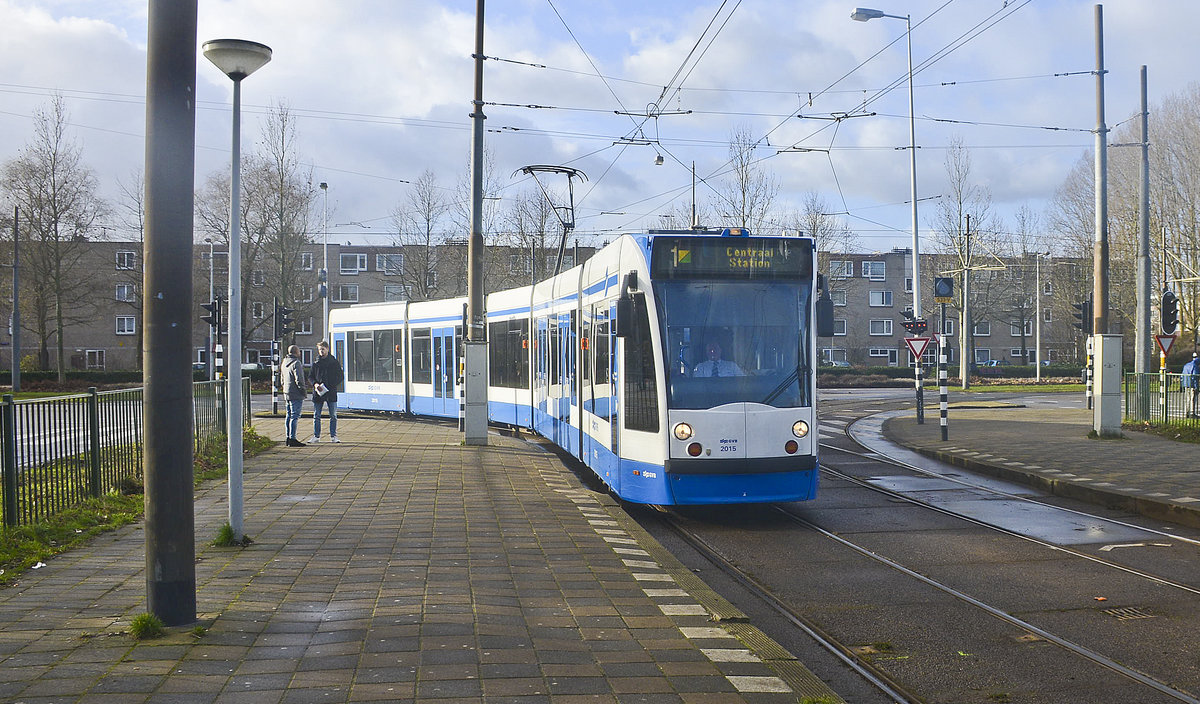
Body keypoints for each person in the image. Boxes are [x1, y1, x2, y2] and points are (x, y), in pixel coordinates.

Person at [309, 340, 344, 443]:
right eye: (320, 350)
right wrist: (315, 384)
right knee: (317, 415)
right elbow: (310, 376)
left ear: (327, 349)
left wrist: (331, 385)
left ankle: (333, 436)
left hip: (331, 392)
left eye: (323, 349)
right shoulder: (316, 363)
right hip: (318, 392)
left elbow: (340, 376)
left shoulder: (334, 362)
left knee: (333, 415)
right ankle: (316, 436)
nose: (321, 351)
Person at [279, 344, 307, 446]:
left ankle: (288, 437)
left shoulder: (284, 362)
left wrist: (284, 388)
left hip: (287, 392)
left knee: (288, 415)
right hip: (296, 393)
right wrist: (303, 391)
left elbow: (282, 378)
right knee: (295, 416)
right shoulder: (296, 363)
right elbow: (299, 379)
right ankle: (292, 438)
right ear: (296, 352)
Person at [1183, 352, 1199, 419]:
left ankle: (1186, 412)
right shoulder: (1195, 366)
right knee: (1192, 398)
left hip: (1186, 384)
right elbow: (1195, 377)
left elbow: (1182, 375)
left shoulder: (1186, 365)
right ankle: (1192, 413)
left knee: (1187, 398)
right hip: (1192, 384)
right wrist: (1196, 387)